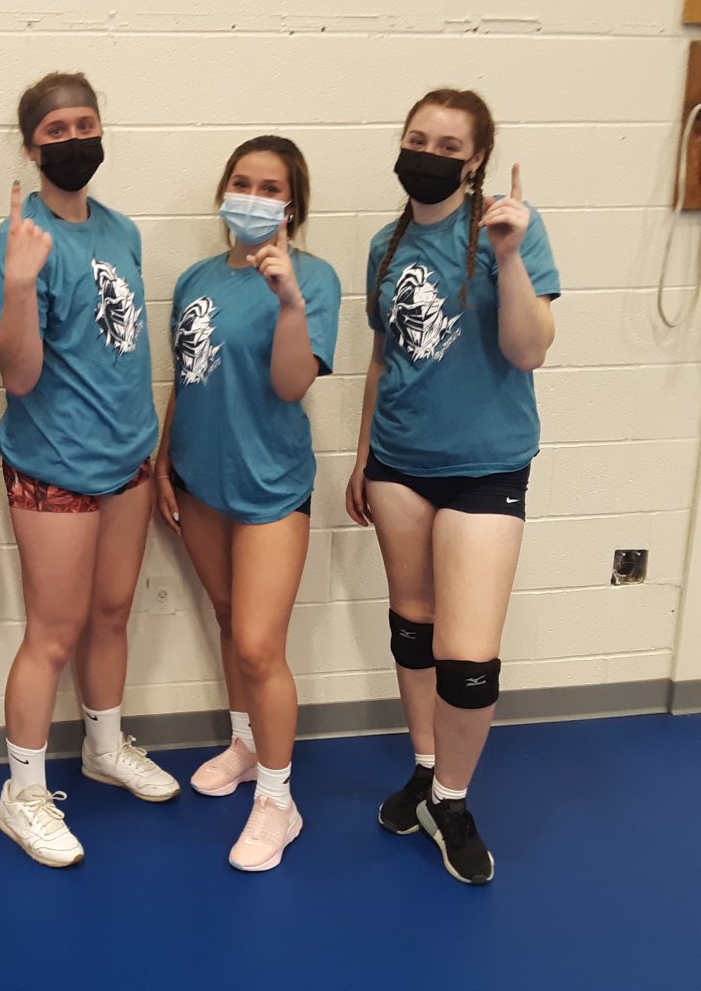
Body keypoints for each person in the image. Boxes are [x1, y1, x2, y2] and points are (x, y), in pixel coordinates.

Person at [344, 89, 559, 885]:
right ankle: (427, 769)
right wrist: (363, 457)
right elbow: (383, 358)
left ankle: (453, 801)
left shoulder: (510, 230)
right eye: (417, 139)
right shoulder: (386, 244)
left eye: (447, 146)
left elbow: (529, 350)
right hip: (399, 464)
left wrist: (510, 256)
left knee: (467, 659)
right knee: (413, 626)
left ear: (475, 161)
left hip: (484, 467)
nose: (427, 155)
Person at [0, 71, 179, 870]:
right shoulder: (20, 238)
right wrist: (19, 283)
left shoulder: (121, 230)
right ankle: (23, 794)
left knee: (111, 613)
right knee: (53, 633)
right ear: (31, 148)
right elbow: (17, 374)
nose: (73, 141)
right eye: (56, 131)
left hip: (126, 459)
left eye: (84, 125)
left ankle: (103, 747)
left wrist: (149, 450)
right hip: (54, 465)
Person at [156, 135, 340, 871]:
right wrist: (165, 459)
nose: (253, 198)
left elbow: (293, 384)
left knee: (261, 646)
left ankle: (277, 798)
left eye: (271, 188)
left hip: (270, 488)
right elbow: (187, 375)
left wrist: (288, 299)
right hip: (200, 479)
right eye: (242, 182)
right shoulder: (196, 279)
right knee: (229, 620)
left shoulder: (315, 278)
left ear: (293, 205)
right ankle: (244, 741)